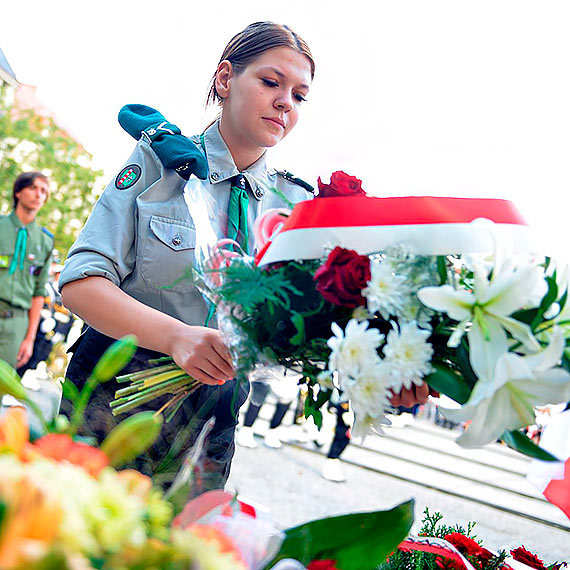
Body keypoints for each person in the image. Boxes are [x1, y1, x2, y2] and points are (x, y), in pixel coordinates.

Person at [59, 22, 316, 494]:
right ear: (224, 79)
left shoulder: (294, 209)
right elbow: (80, 281)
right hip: (112, 398)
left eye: (300, 95)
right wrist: (177, 337)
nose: (286, 102)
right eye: (271, 82)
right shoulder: (162, 163)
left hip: (212, 419)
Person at [0, 172, 53, 370]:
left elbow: (39, 292)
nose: (38, 194)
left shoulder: (45, 242)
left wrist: (29, 338)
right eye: (33, 188)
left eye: (43, 191)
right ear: (18, 192)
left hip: (16, 324)